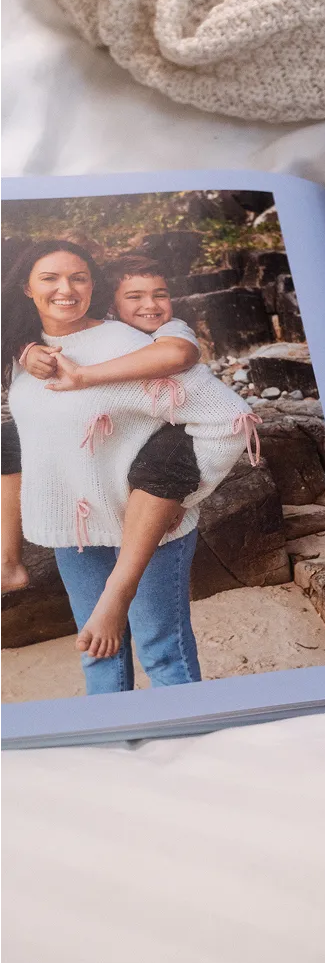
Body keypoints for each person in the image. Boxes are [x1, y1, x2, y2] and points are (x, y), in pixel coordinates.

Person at [0, 241, 253, 694]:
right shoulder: (27, 355)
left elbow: (228, 418)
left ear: (93, 285)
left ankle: (190, 746)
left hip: (144, 528)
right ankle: (120, 752)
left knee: (162, 650)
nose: (66, 289)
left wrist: (182, 494)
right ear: (26, 287)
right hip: (75, 533)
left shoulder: (123, 343)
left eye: (78, 277)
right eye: (50, 278)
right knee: (97, 654)